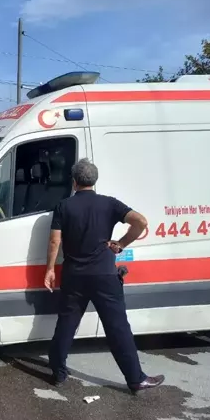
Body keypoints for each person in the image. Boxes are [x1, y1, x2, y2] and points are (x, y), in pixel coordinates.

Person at [44, 158, 165, 394]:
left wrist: (49, 269)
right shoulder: (109, 204)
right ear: (94, 181)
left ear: (74, 181)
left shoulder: (64, 206)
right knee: (118, 327)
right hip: (104, 275)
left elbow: (54, 241)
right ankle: (135, 379)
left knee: (67, 325)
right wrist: (120, 243)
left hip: (74, 276)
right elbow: (141, 221)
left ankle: (58, 373)